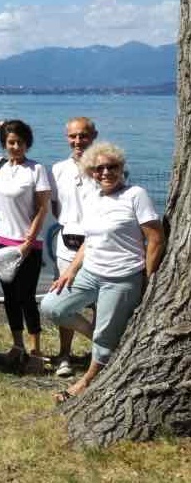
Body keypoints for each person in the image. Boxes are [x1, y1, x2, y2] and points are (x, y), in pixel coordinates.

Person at [41, 143, 164, 402]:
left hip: (121, 278)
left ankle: (86, 382)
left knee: (105, 336)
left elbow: (155, 239)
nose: (106, 172)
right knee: (52, 307)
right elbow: (90, 240)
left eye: (112, 167)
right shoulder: (92, 197)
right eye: (99, 168)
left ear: (122, 168)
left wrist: (147, 280)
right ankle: (102, 341)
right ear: (91, 172)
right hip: (90, 272)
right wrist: (71, 270)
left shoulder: (135, 195)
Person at [0, 120, 51, 371]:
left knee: (26, 298)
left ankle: (35, 350)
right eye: (11, 142)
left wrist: (28, 242)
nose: (16, 147)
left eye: (20, 142)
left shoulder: (36, 170)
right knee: (10, 298)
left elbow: (42, 208)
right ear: (4, 144)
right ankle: (17, 346)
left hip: (26, 246)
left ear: (28, 144)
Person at [48, 117, 100, 377]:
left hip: (99, 245)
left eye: (83, 135)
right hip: (67, 245)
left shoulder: (104, 167)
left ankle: (99, 355)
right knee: (65, 300)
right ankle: (65, 355)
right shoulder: (57, 169)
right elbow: (56, 207)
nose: (78, 141)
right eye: (73, 136)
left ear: (94, 136)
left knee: (100, 304)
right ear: (67, 137)